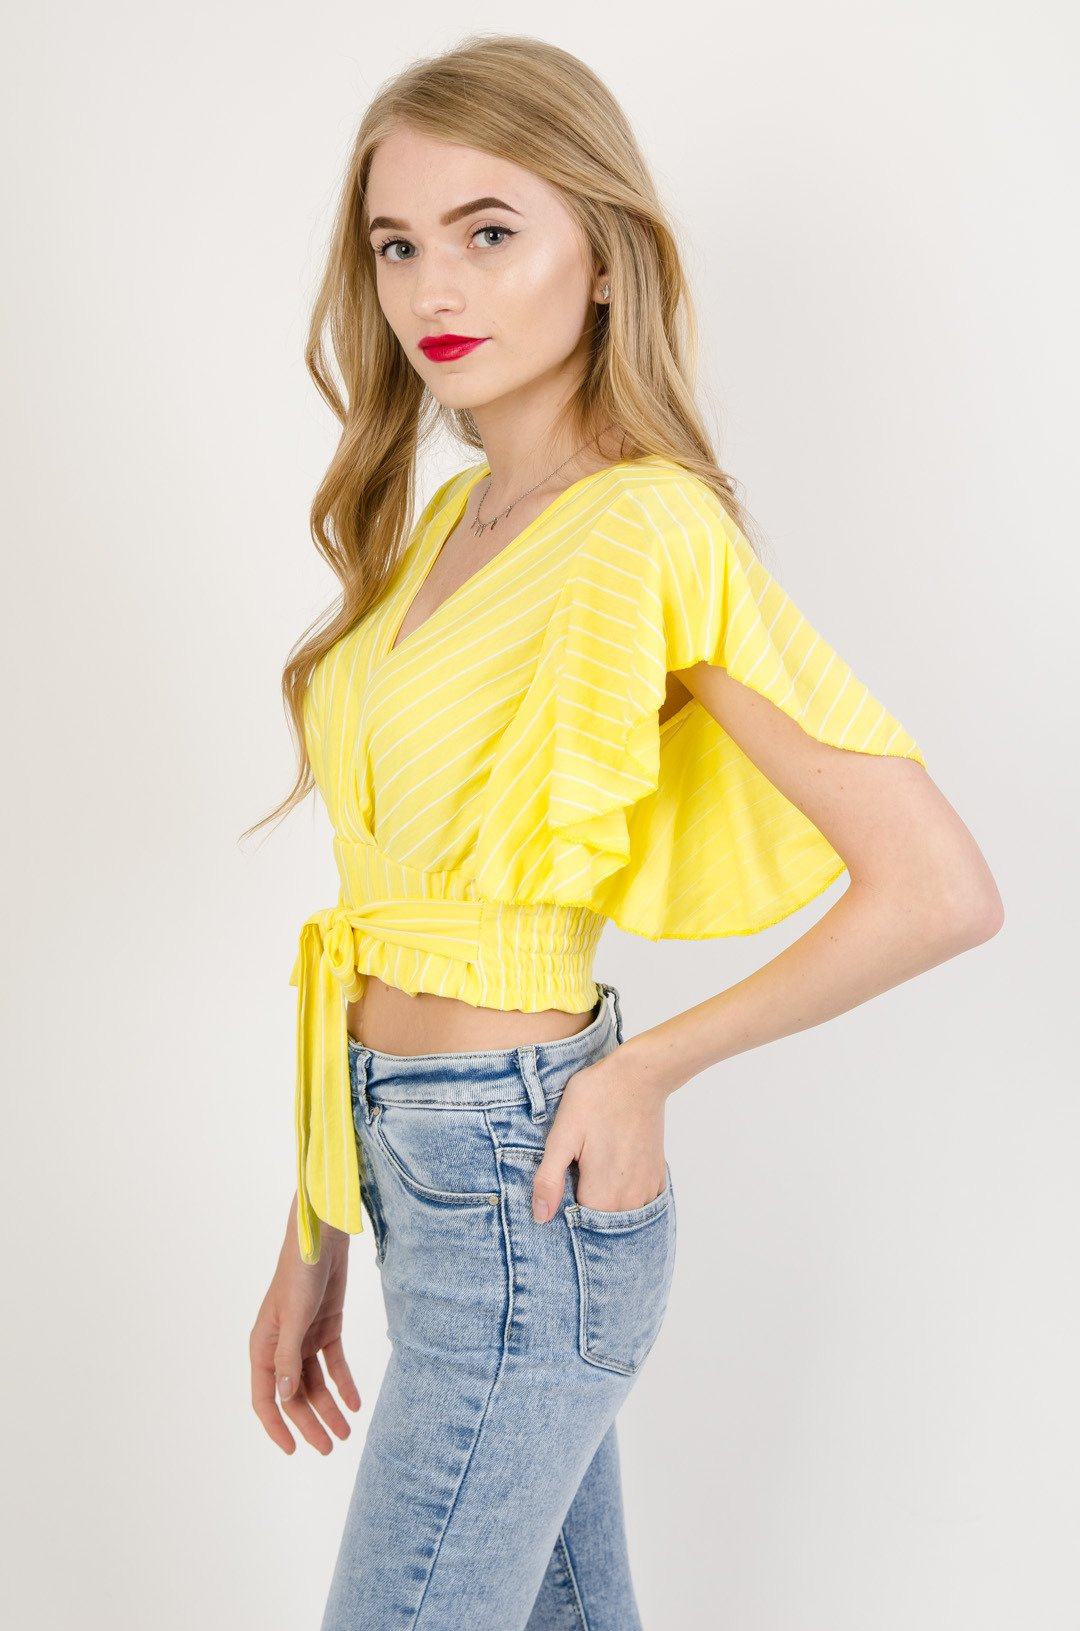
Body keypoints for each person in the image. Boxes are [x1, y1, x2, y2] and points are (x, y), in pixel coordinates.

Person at [244, 33, 1004, 1631]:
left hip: (522, 1177)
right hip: (412, 1173)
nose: (434, 285)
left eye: (489, 230)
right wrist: (316, 1227)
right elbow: (379, 915)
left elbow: (938, 887)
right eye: (397, 244)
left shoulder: (646, 524)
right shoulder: (441, 526)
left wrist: (645, 1068)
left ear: (604, 254)